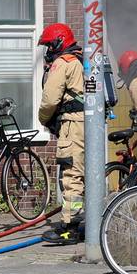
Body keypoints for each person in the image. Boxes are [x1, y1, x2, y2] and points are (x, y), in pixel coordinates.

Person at [37, 23, 87, 245]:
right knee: (80, 174)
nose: (48, 51)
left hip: (72, 126)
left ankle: (70, 229)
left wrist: (43, 119)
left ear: (58, 42)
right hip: (84, 125)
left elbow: (50, 99)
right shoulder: (79, 61)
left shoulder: (62, 63)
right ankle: (77, 221)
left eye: (49, 45)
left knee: (71, 177)